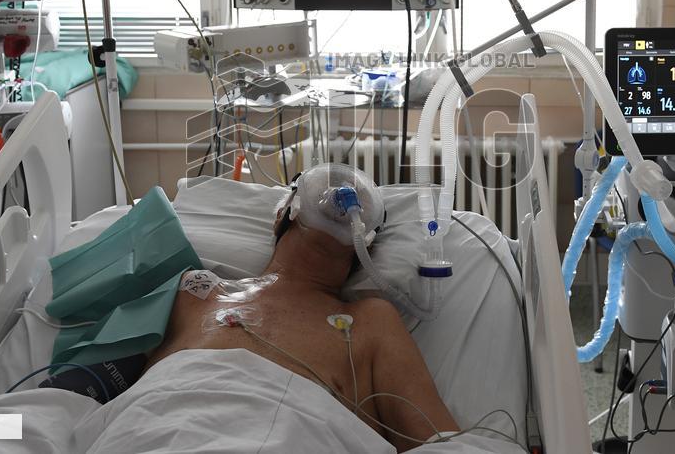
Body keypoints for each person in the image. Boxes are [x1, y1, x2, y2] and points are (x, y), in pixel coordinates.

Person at [145, 164, 459, 451]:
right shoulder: (197, 290)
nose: (341, 194)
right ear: (283, 213)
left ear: (367, 242)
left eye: (359, 199)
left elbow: (440, 442)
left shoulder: (371, 322)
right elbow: (106, 370)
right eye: (326, 185)